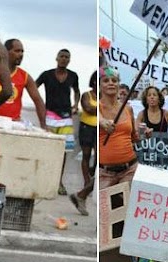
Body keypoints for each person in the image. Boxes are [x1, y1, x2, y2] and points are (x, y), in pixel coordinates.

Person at [36, 48, 80, 195]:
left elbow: (77, 91)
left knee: (64, 152)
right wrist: (40, 104)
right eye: (62, 56)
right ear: (56, 58)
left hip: (66, 117)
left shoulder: (73, 76)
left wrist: (76, 104)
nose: (64, 59)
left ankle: (59, 182)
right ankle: (44, 180)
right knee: (47, 149)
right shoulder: (47, 75)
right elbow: (33, 88)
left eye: (67, 57)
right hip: (49, 116)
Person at [0, 38, 46, 128]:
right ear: (6, 52)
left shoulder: (25, 76)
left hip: (13, 123)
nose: (21, 54)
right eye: (17, 51)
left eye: (22, 52)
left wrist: (43, 125)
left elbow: (38, 101)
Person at [97, 65, 138, 190]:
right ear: (99, 85)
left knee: (125, 208)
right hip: (104, 173)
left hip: (129, 170)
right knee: (105, 209)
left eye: (114, 80)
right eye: (106, 80)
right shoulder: (96, 107)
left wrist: (144, 134)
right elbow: (98, 117)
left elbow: (134, 138)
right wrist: (103, 122)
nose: (111, 83)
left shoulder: (128, 108)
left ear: (119, 85)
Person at [69, 71, 97, 216]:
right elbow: (87, 108)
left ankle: (84, 191)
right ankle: (87, 183)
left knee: (98, 160)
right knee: (86, 155)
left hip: (99, 129)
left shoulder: (104, 97)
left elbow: (94, 110)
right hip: (87, 127)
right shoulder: (87, 95)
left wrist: (96, 110)